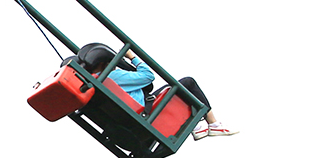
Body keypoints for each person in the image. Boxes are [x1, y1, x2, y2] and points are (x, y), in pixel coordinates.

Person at [81, 43, 235, 138]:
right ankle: (214, 124)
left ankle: (195, 127)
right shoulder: (111, 76)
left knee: (161, 92)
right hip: (146, 113)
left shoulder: (94, 84)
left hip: (131, 118)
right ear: (104, 63)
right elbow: (148, 76)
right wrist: (132, 57)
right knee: (188, 83)